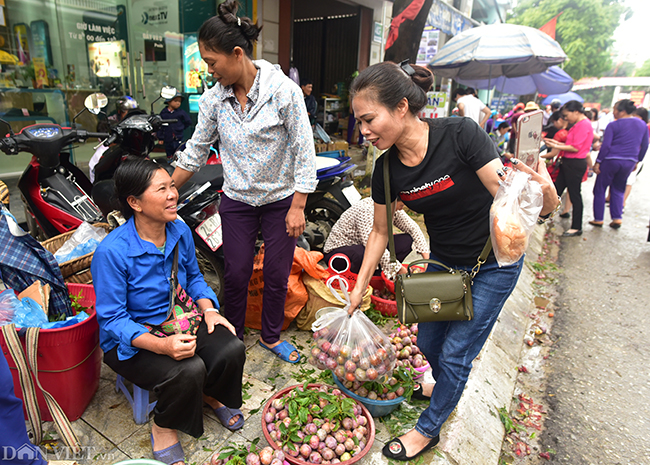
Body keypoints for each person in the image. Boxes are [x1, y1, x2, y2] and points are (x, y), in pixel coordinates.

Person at [346, 61, 559, 461]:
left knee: (456, 353)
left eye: (369, 119)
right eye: (360, 122)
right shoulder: (386, 170)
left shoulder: (460, 134)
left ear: (402, 107)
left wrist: (546, 197)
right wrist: (358, 289)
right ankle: (445, 386)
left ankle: (428, 429)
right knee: (428, 342)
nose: (364, 131)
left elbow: (508, 198)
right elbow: (378, 231)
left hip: (493, 260)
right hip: (445, 264)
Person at [171, 0, 317, 363]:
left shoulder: (283, 91)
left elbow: (304, 150)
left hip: (281, 199)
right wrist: (166, 190)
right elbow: (196, 151)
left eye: (211, 62)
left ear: (237, 54)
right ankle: (230, 335)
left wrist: (298, 206)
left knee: (277, 273)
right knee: (235, 272)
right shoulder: (213, 100)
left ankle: (270, 336)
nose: (210, 71)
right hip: (236, 200)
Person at [91, 158, 246, 465]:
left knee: (231, 346)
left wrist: (210, 311)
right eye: (161, 189)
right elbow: (112, 320)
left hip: (178, 316)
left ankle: (211, 393)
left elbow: (195, 278)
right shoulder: (112, 252)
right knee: (188, 370)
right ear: (135, 202)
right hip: (133, 338)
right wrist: (161, 345)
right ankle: (163, 425)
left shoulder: (179, 230)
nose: (173, 194)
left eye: (172, 186)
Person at [323, 197, 430, 279]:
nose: (401, 208)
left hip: (365, 248)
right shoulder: (366, 210)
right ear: (392, 201)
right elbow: (373, 246)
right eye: (401, 205)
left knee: (407, 240)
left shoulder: (391, 208)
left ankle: (380, 273)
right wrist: (400, 270)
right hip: (339, 253)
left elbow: (413, 228)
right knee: (364, 251)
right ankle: (369, 276)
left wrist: (427, 260)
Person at [589, 99, 648, 229]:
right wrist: (637, 160)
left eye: (615, 109)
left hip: (611, 159)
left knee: (600, 188)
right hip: (629, 161)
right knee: (619, 188)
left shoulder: (614, 125)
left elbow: (606, 146)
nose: (614, 112)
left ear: (622, 111)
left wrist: (598, 162)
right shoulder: (642, 125)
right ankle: (617, 218)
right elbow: (644, 145)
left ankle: (598, 219)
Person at [544, 100, 594, 236]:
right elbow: (570, 143)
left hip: (575, 163)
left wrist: (557, 146)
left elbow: (575, 147)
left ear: (576, 112)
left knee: (574, 194)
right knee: (556, 189)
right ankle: (543, 216)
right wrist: (554, 142)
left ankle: (577, 227)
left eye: (567, 115)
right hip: (568, 162)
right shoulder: (578, 124)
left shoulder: (583, 125)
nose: (566, 118)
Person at [157, 92, 192, 159]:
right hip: (168, 138)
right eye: (175, 101)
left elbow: (188, 121)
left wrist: (181, 127)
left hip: (178, 137)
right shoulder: (164, 113)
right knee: (169, 153)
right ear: (169, 101)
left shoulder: (181, 112)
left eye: (179, 101)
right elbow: (160, 126)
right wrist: (160, 137)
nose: (178, 103)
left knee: (179, 152)